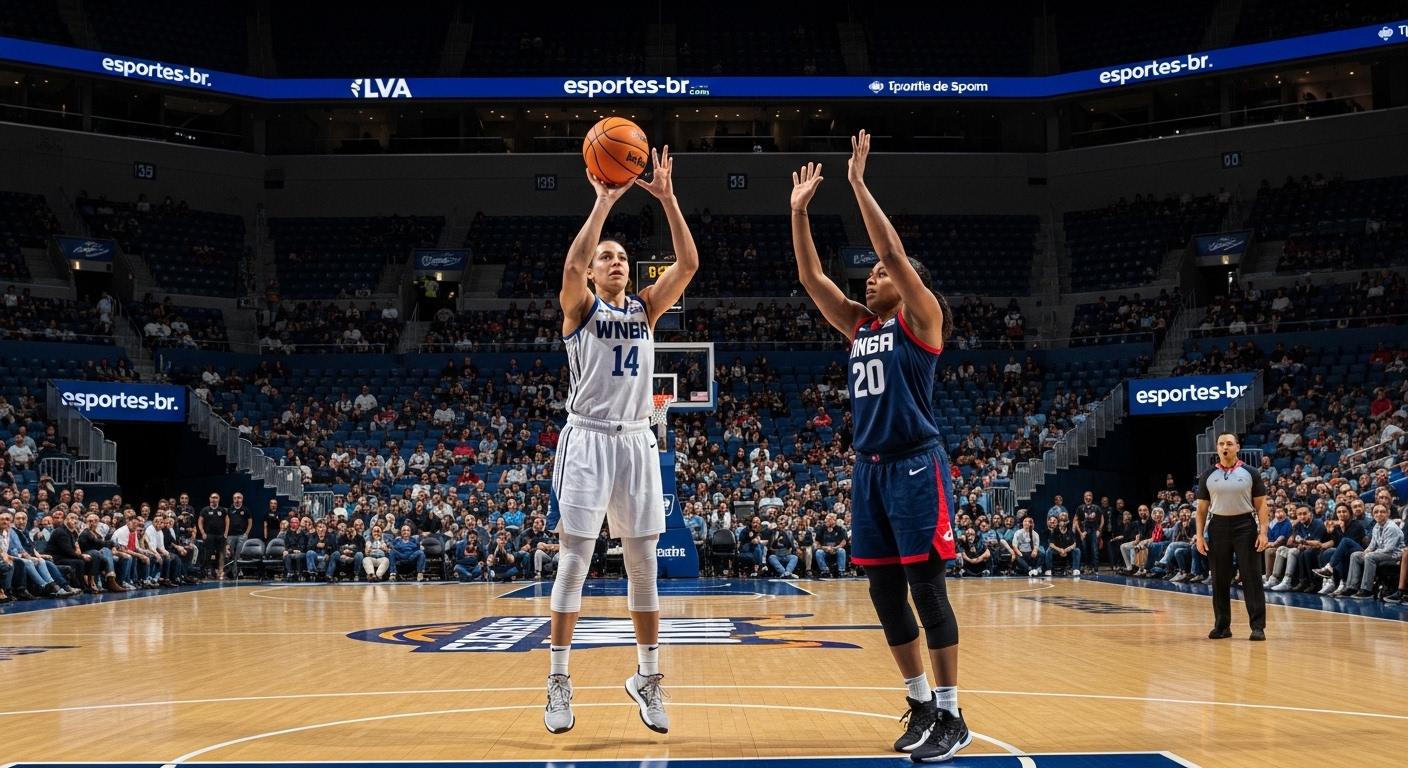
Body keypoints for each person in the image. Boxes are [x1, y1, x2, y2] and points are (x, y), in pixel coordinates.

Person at [790, 130, 968, 762]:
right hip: (869, 471)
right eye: (866, 276)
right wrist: (799, 211)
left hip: (917, 463)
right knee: (884, 595)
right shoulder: (861, 325)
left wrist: (859, 186)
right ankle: (920, 704)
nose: (868, 281)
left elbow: (890, 250)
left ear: (905, 281)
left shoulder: (923, 318)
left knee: (929, 590)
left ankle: (952, 715)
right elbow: (811, 277)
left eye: (877, 275)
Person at [543, 146, 699, 736]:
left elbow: (687, 263)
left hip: (637, 442)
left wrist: (666, 197)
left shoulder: (646, 309)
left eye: (621, 257)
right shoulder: (579, 308)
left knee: (644, 569)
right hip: (586, 441)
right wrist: (603, 203)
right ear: (592, 269)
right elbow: (569, 268)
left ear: (631, 272)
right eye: (604, 256)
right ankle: (559, 679)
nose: (612, 260)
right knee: (575, 563)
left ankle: (648, 677)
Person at [1195, 433, 1269, 641]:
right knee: (1219, 578)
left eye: (1229, 443)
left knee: (1251, 577)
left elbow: (1262, 504)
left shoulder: (1251, 472)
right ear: (1217, 448)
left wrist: (1263, 532)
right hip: (1217, 526)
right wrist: (1199, 536)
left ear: (1238, 447)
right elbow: (1201, 510)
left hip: (1245, 526)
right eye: (1221, 444)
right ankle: (1222, 625)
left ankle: (1257, 626)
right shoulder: (1208, 475)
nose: (1224, 447)